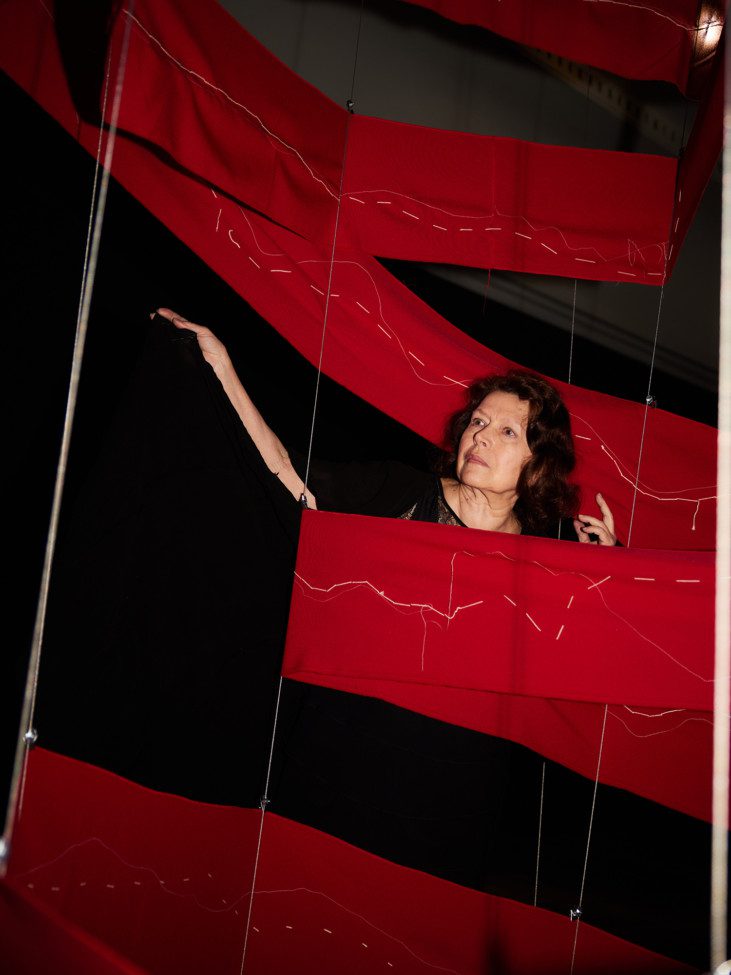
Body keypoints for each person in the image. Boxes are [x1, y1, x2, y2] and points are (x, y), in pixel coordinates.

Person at [155, 308, 618, 544]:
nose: (480, 435)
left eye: (507, 432)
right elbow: (288, 472)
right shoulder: (400, 488)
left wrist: (609, 568)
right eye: (478, 421)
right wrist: (223, 368)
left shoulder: (543, 552)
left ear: (538, 467)